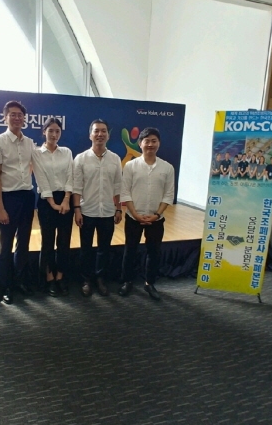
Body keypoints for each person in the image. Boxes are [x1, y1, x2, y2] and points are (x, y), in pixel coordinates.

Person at [118, 127, 175, 300]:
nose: (150, 144)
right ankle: (127, 281)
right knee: (130, 250)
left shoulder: (167, 168)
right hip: (133, 217)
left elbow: (168, 195)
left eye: (154, 141)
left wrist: (157, 215)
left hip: (156, 218)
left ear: (159, 143)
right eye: (147, 141)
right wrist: (135, 214)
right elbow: (125, 192)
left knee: (154, 252)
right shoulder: (130, 166)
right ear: (140, 143)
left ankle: (150, 283)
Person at [0, 101, 36, 305]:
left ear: (24, 118)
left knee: (23, 243)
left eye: (20, 115)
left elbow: (31, 166)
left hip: (27, 197)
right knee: (6, 244)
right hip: (8, 198)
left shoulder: (30, 143)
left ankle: (20, 281)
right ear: (5, 117)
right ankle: (5, 285)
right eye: (13, 114)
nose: (17, 118)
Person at [73, 119, 123, 297]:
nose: (100, 134)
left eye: (103, 131)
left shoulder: (115, 159)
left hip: (108, 211)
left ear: (108, 135)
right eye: (96, 131)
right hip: (87, 211)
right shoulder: (81, 159)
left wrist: (118, 208)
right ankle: (86, 279)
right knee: (85, 248)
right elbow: (77, 187)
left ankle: (100, 278)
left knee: (104, 248)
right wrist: (77, 209)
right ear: (90, 135)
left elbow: (118, 186)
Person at [32, 118, 74, 296]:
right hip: (46, 201)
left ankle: (60, 276)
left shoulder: (66, 152)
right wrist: (52, 203)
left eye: (57, 131)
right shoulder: (36, 153)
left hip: (65, 199)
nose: (54, 134)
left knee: (64, 240)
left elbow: (71, 176)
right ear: (44, 132)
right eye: (51, 131)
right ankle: (49, 277)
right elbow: (41, 179)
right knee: (48, 241)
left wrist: (66, 199)